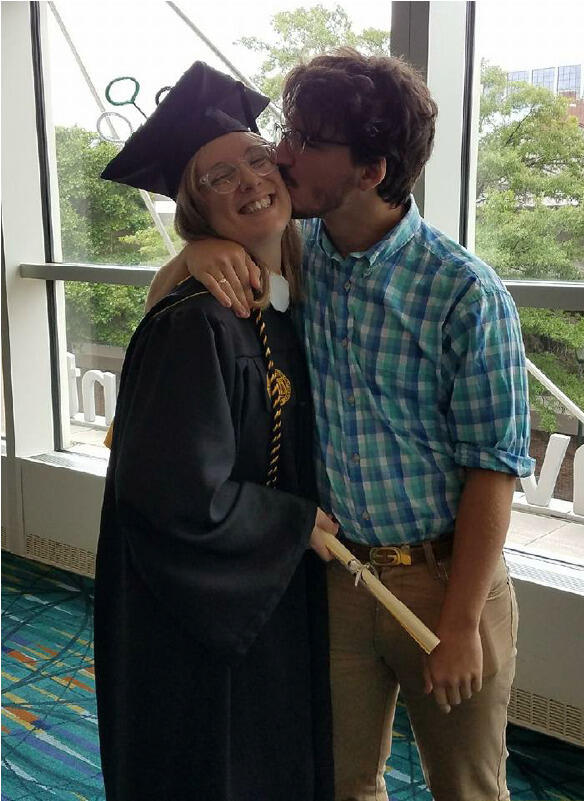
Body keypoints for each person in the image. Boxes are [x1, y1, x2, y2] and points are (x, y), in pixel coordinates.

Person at [150, 49, 533, 801]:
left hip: (445, 581)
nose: (281, 154)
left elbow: (494, 468)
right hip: (335, 577)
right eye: (288, 131)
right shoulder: (296, 252)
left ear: (371, 170)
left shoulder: (464, 292)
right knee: (336, 782)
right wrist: (198, 248)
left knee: (468, 786)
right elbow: (165, 301)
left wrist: (461, 624)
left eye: (307, 141)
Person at [93, 61, 335, 800]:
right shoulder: (196, 323)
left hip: (258, 586)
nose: (249, 181)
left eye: (257, 159)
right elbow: (172, 493)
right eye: (217, 177)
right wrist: (293, 523)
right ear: (194, 211)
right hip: (198, 604)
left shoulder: (284, 290)